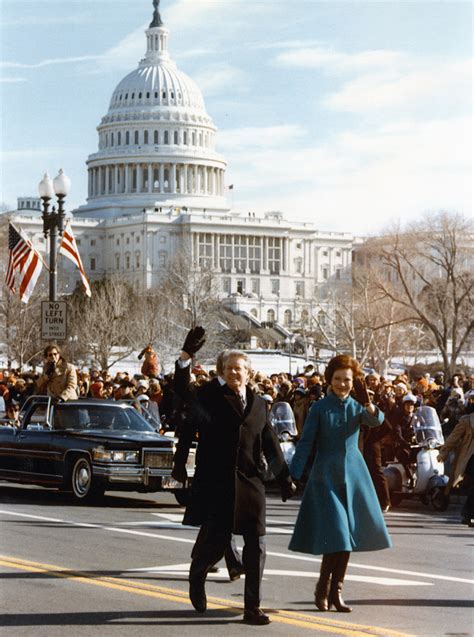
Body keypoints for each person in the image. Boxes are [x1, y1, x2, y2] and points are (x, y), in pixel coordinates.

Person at [171, 327, 296, 626]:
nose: (234, 373)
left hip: (251, 482)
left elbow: (270, 443)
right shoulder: (209, 397)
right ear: (221, 372)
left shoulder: (259, 404)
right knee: (215, 541)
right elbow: (181, 391)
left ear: (249, 373)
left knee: (257, 546)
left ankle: (252, 607)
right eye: (228, 369)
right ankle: (198, 573)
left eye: (239, 369)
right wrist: (185, 357)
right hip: (218, 482)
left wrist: (284, 478)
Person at [288, 354, 392, 613]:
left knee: (347, 537)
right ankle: (323, 588)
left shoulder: (357, 406)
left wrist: (368, 403)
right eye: (337, 379)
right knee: (338, 535)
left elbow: (377, 421)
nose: (342, 384)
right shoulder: (320, 408)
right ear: (329, 380)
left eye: (347, 380)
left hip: (355, 476)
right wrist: (292, 474)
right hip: (326, 477)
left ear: (353, 381)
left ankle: (336, 592)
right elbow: (306, 442)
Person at [437, 412, 474, 527]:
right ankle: (469, 514)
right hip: (470, 458)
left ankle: (467, 513)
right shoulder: (467, 421)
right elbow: (453, 437)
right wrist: (443, 452)